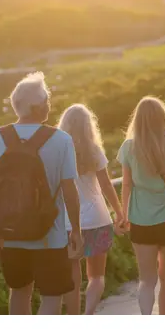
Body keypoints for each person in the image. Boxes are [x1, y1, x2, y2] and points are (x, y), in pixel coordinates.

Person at [0, 72, 83, 315]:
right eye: (47, 100)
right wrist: (76, 229)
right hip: (50, 235)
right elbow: (69, 190)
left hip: (10, 233)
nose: (49, 104)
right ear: (37, 107)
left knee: (18, 292)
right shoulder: (61, 140)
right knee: (51, 296)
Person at [117, 96, 165, 315]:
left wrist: (123, 215)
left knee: (146, 280)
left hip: (140, 220)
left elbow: (126, 185)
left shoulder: (128, 148)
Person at [57, 104, 127, 315]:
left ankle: (74, 316)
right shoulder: (94, 150)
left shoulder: (59, 151)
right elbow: (106, 185)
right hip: (97, 218)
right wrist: (119, 211)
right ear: (89, 126)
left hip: (70, 221)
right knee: (97, 276)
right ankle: (88, 315)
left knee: (72, 273)